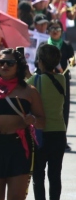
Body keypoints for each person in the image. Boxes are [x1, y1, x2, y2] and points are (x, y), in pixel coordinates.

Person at [0, 49, 45, 200]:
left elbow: (42, 121)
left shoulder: (30, 92)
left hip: (18, 148)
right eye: (1, 62)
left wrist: (34, 120)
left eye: (10, 63)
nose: (5, 65)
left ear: (19, 66)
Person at [28, 44, 66, 200]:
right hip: (59, 133)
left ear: (40, 62)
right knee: (55, 175)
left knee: (38, 176)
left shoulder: (35, 80)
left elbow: (25, 85)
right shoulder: (62, 79)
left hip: (40, 134)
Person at [45, 19, 72, 151]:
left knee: (64, 109)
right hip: (47, 81)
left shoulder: (66, 45)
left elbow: (72, 60)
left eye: (58, 28)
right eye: (52, 28)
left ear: (62, 31)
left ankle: (62, 139)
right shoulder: (44, 45)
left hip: (63, 81)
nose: (55, 31)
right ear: (48, 31)